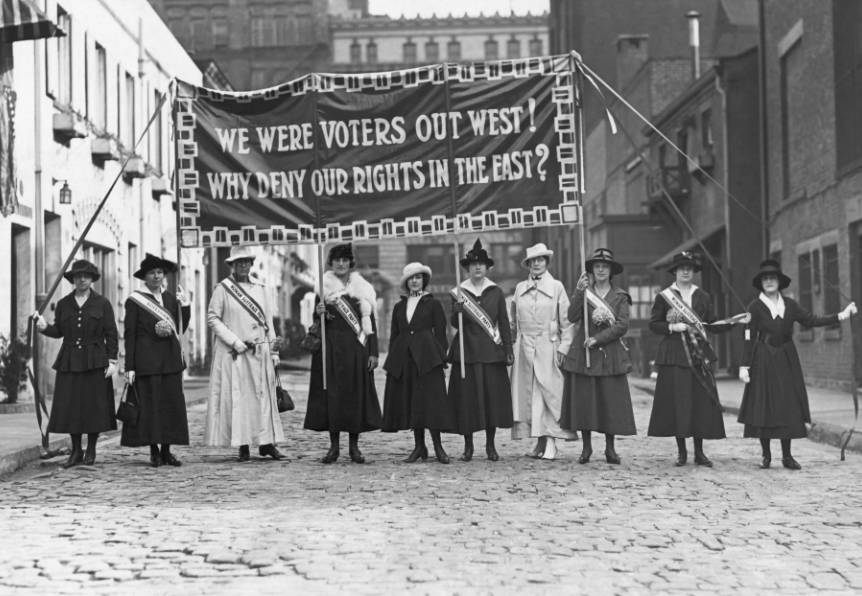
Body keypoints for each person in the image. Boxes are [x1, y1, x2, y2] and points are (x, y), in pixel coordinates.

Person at [738, 259, 857, 469]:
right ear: (761, 283)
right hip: (763, 358)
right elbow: (748, 336)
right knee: (764, 406)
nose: (769, 282)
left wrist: (841, 315)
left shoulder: (790, 305)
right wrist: (745, 366)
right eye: (765, 279)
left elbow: (811, 320)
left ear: (779, 282)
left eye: (772, 278)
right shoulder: (754, 307)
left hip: (786, 358)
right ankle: (766, 455)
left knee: (787, 405)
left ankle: (787, 456)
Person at [647, 251, 747, 467]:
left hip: (698, 356)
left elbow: (711, 323)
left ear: (693, 272)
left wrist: (735, 321)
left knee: (699, 403)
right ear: (675, 271)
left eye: (689, 268)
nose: (685, 271)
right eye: (681, 267)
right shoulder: (664, 296)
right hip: (674, 356)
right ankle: (682, 452)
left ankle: (699, 452)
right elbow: (654, 324)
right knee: (679, 403)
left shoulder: (703, 296)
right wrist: (672, 327)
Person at [33, 260, 118, 468]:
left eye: (86, 276)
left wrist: (113, 360)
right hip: (69, 361)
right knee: (71, 406)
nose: (82, 279)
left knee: (93, 406)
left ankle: (91, 448)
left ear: (91, 279)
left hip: (95, 361)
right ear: (72, 280)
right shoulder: (64, 304)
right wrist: (43, 326)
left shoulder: (102, 303)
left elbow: (111, 333)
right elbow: (59, 331)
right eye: (78, 276)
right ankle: (76, 450)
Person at [205, 246, 285, 461]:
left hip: (261, 352)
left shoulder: (261, 288)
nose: (243, 265)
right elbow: (213, 318)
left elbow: (268, 322)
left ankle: (267, 443)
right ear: (231, 265)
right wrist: (235, 341)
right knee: (240, 398)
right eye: (238, 262)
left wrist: (274, 350)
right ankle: (243, 444)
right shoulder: (223, 289)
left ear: (251, 263)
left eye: (246, 261)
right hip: (236, 352)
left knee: (263, 399)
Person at [304, 243, 382, 463]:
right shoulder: (323, 287)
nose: (340, 264)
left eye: (344, 260)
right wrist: (317, 312)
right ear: (331, 263)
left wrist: (373, 352)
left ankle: (354, 447)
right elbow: (316, 325)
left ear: (350, 263)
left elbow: (370, 322)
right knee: (333, 398)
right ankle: (334, 447)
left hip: (356, 351)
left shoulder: (363, 288)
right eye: (337, 259)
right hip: (330, 351)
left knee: (354, 398)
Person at [561, 248, 636, 464]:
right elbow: (572, 316)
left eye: (605, 266)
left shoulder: (620, 296)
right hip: (584, 354)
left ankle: (610, 449)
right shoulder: (584, 293)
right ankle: (586, 448)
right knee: (586, 401)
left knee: (609, 402)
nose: (601, 270)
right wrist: (577, 291)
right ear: (592, 270)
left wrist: (598, 339)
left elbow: (622, 325)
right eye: (597, 266)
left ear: (611, 271)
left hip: (609, 355)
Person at [382, 262, 456, 464]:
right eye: (411, 278)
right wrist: (392, 361)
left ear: (424, 281)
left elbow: (441, 332)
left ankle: (438, 447)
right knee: (413, 401)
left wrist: (441, 357)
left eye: (419, 277)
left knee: (431, 401)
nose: (415, 281)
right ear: (406, 282)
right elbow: (395, 335)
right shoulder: (399, 306)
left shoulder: (432, 304)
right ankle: (419, 446)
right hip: (405, 358)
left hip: (428, 358)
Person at [121, 253, 190, 467]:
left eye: (160, 272)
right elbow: (130, 334)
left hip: (169, 361)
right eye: (152, 273)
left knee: (170, 406)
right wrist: (130, 367)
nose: (157, 276)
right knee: (150, 407)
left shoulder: (170, 298)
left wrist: (185, 307)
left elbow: (180, 328)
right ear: (145, 277)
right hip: (146, 361)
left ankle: (167, 450)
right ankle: (154, 451)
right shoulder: (135, 300)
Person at [448, 239, 514, 462]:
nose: (477, 267)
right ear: (467, 268)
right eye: (473, 264)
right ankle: (468, 446)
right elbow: (455, 324)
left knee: (490, 401)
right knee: (468, 400)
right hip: (467, 353)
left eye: (481, 264)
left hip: (490, 354)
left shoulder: (495, 292)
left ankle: (490, 446)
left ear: (487, 268)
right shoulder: (459, 291)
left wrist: (508, 348)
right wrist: (455, 312)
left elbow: (503, 322)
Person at [510, 243, 576, 461]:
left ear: (547, 262)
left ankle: (551, 441)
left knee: (548, 393)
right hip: (525, 347)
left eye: (541, 259)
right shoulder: (520, 288)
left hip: (549, 346)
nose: (537, 264)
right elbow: (513, 320)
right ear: (528, 264)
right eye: (533, 260)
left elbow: (567, 321)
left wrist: (564, 347)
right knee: (529, 395)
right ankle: (538, 441)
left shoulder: (556, 287)